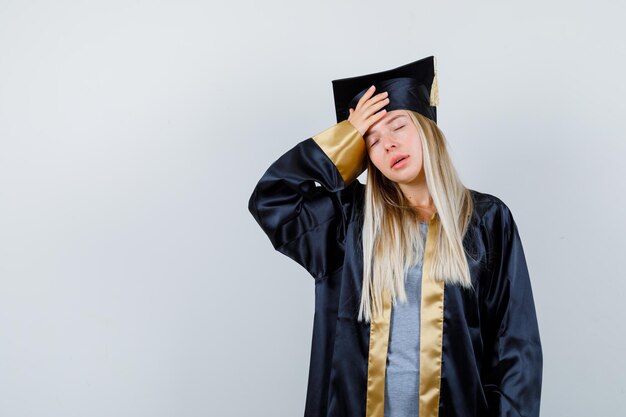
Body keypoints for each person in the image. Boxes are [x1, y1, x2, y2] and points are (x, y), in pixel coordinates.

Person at [248, 56, 543, 417]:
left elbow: (515, 346)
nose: (387, 144)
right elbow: (272, 199)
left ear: (426, 128)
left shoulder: (485, 220)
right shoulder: (348, 222)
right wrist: (345, 138)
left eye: (397, 126)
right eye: (370, 140)